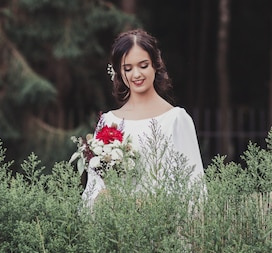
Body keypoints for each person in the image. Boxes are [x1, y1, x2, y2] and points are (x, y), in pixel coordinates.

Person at [82, 28, 205, 206]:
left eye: (143, 65)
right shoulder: (108, 122)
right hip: (116, 225)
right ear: (118, 72)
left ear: (156, 65)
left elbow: (194, 187)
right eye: (128, 68)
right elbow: (94, 186)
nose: (136, 75)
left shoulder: (176, 120)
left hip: (163, 223)